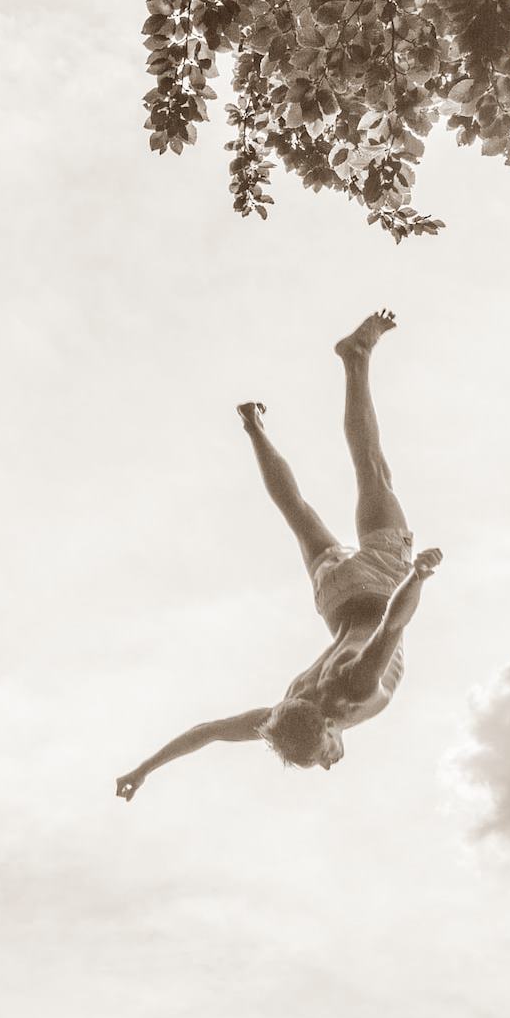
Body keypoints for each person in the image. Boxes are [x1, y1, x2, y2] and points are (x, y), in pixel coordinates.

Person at [115, 311, 442, 799]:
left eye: (324, 753)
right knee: (297, 512)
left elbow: (393, 625)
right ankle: (253, 427)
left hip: (380, 585)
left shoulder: (353, 689)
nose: (330, 764)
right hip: (334, 595)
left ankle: (356, 359)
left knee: (372, 469)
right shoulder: (286, 711)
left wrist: (417, 576)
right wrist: (143, 769)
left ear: (327, 726)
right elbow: (208, 732)